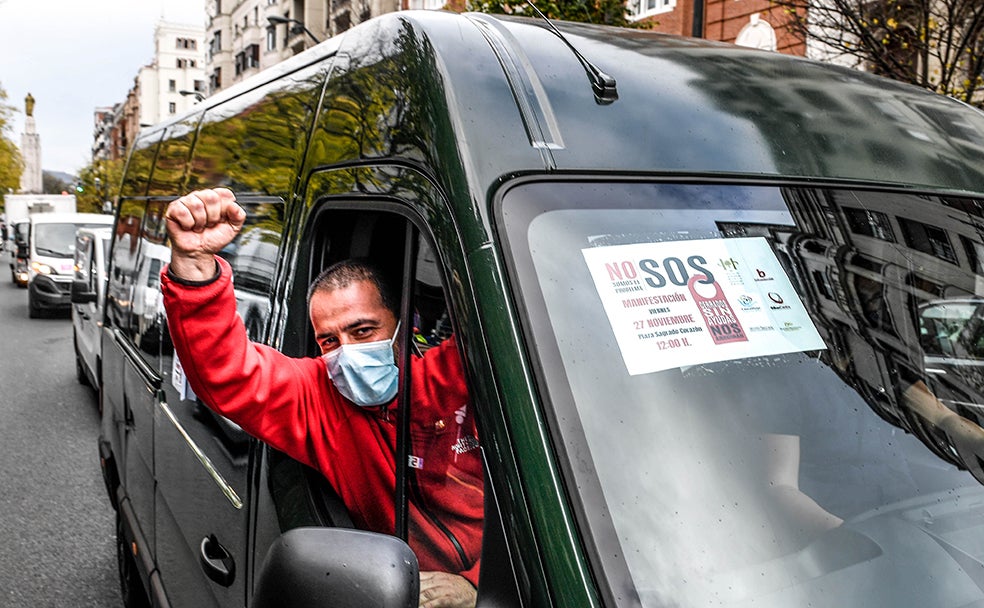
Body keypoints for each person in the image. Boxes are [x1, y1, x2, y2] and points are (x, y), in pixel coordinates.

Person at [162, 188, 483, 608]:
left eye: (363, 331)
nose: (347, 352)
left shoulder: (457, 375)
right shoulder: (318, 395)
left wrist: (475, 585)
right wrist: (193, 266)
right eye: (329, 340)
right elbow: (227, 372)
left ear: (404, 325)